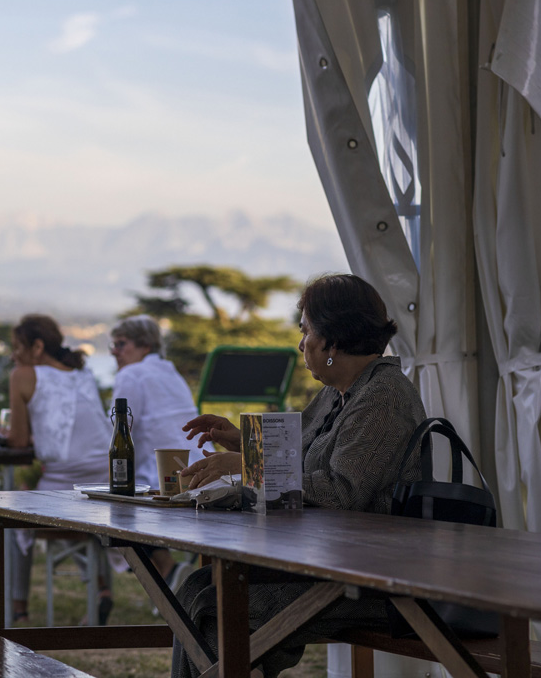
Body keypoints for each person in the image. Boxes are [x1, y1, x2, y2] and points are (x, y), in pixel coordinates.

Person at [173, 274, 426, 678]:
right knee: (195, 588)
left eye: (306, 331)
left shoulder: (384, 397)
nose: (300, 343)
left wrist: (245, 465)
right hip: (323, 561)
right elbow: (296, 456)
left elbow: (340, 491)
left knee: (213, 607)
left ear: (333, 341)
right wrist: (239, 440)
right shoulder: (339, 393)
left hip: (371, 577)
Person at [7, 313, 114, 624]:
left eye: (18, 347)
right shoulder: (82, 374)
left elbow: (17, 440)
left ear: (37, 347)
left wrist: (7, 435)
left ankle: (19, 611)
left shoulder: (23, 375)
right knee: (71, 508)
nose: (14, 355)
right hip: (104, 480)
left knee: (10, 519)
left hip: (65, 482)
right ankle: (101, 590)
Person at [110, 314, 199, 587]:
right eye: (113, 345)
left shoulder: (131, 374)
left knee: (112, 504)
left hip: (162, 478)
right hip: (200, 471)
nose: (115, 352)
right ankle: (169, 575)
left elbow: (118, 432)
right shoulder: (171, 373)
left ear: (145, 346)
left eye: (121, 344)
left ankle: (167, 573)